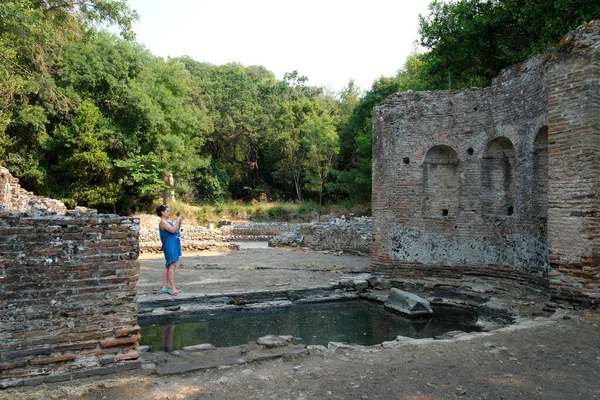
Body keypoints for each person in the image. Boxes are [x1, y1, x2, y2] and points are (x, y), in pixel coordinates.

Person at [156, 204, 184, 296]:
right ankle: (172, 287)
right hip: (169, 245)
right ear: (162, 212)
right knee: (172, 266)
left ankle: (165, 285)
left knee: (168, 265)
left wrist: (179, 222)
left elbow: (176, 229)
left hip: (173, 244)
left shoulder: (168, 222)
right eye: (167, 211)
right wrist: (177, 220)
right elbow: (172, 230)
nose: (169, 212)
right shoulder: (163, 222)